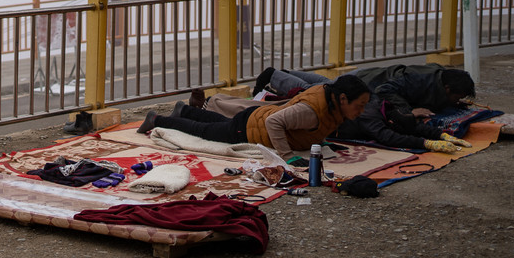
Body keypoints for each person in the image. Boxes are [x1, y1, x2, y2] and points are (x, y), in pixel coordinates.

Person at [137, 75, 372, 166]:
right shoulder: (311, 111)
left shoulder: (328, 97)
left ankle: (185, 110)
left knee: (219, 123)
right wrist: (288, 157)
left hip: (252, 119)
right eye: (359, 105)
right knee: (205, 131)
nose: (361, 111)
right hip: (251, 130)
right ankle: (158, 119)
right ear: (342, 98)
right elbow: (274, 123)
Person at [252, 64, 476, 153]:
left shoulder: (384, 107)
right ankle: (274, 75)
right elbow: (389, 134)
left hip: (361, 86)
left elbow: (408, 124)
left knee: (325, 83)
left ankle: (283, 72)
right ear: (447, 88)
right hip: (361, 83)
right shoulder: (370, 110)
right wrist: (425, 141)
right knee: (314, 90)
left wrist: (439, 133)